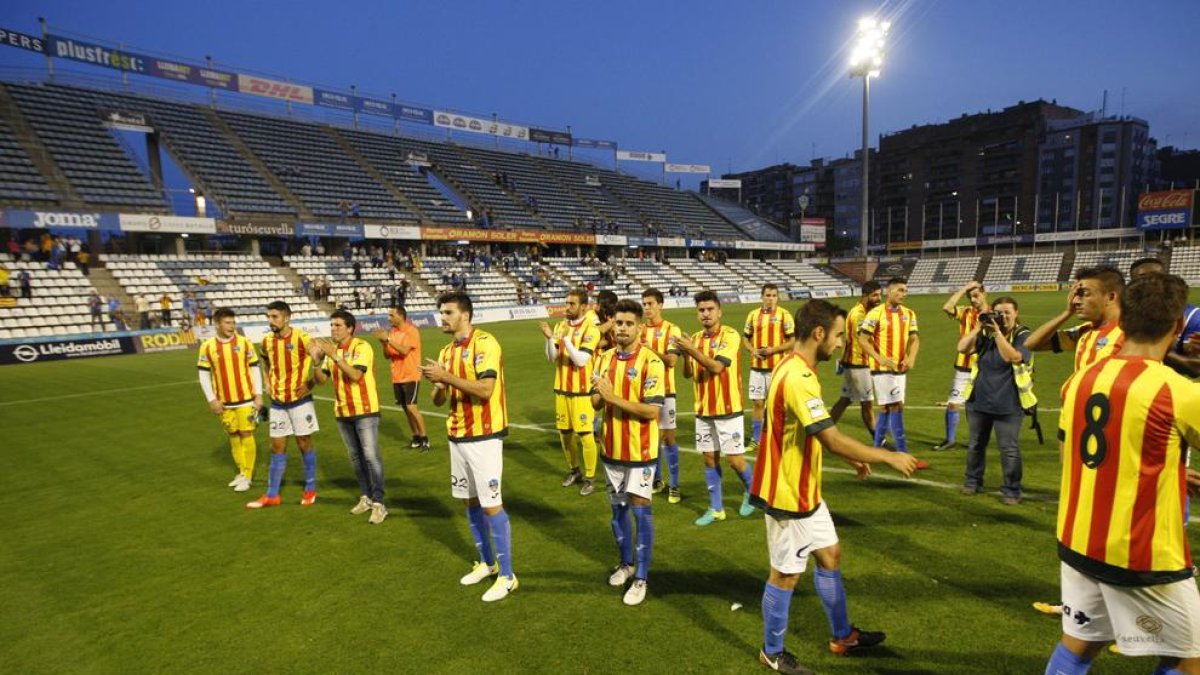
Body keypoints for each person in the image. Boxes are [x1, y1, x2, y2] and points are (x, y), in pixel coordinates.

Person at [1044, 272, 1200, 674]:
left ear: (1123, 317)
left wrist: (1168, 473)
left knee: (1077, 647)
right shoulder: (1177, 390)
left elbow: (1104, 450)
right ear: (1178, 325)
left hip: (1077, 540)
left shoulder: (1079, 380)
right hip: (1141, 552)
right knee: (1187, 658)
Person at [752, 299, 917, 675]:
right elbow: (830, 437)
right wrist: (885, 456)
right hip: (787, 493)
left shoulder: (798, 369)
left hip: (805, 490)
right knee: (786, 574)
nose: (843, 343)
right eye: (840, 335)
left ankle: (843, 635)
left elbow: (817, 431)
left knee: (830, 555)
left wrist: (848, 456)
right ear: (819, 333)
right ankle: (771, 651)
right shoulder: (797, 376)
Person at [421, 292, 518, 602]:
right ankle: (487, 564)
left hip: (484, 436)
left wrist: (446, 376)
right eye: (441, 311)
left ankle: (507, 575)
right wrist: (437, 384)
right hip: (457, 435)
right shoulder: (446, 351)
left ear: (465, 314)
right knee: (469, 502)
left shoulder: (486, 343)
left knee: (491, 504)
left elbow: (486, 390)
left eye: (448, 312)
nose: (443, 317)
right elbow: (438, 399)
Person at [592, 299, 665, 606]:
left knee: (640, 510)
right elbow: (596, 402)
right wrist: (599, 395)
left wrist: (612, 397)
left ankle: (642, 577)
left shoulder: (652, 362)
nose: (621, 328)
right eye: (618, 323)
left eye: (628, 324)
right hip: (611, 449)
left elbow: (651, 411)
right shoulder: (604, 359)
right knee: (617, 511)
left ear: (639, 327)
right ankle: (626, 564)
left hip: (641, 451)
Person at [675, 290, 754, 526]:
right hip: (703, 409)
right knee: (709, 459)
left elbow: (717, 367)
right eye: (701, 310)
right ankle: (716, 508)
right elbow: (688, 374)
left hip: (728, 408)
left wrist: (691, 350)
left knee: (735, 460)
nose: (706, 314)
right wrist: (685, 355)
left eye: (710, 309)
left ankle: (753, 492)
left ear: (719, 311)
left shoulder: (730, 335)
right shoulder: (696, 338)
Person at [955, 296, 1035, 505]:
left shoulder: (1023, 334)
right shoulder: (985, 334)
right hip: (979, 401)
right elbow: (962, 348)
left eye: (1008, 312)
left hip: (1008, 404)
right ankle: (973, 481)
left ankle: (1011, 489)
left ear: (1016, 313)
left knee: (1009, 450)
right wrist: (978, 326)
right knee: (975, 445)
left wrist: (997, 334)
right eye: (999, 313)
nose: (1003, 316)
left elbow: (1013, 357)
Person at [313, 310, 387, 525]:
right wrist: (317, 362)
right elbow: (321, 381)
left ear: (350, 328)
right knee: (356, 459)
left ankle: (379, 503)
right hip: (343, 412)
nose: (333, 329)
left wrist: (334, 356)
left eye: (337, 325)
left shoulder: (361, 347)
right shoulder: (332, 350)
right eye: (332, 325)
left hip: (364, 410)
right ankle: (366, 497)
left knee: (371, 457)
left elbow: (355, 375)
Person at [246, 301, 320, 509]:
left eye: (274, 317)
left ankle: (310, 488)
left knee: (304, 443)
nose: (270, 321)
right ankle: (272, 494)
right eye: (268, 317)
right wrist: (268, 381)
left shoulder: (303, 338)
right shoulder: (266, 341)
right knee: (276, 447)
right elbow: (265, 360)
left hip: (300, 401)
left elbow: (320, 362)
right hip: (277, 402)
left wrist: (311, 383)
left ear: (286, 318)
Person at [857, 277, 927, 470]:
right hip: (882, 370)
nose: (904, 294)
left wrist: (911, 358)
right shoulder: (876, 313)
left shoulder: (909, 313)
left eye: (905, 290)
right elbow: (863, 339)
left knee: (888, 408)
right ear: (889, 291)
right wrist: (879, 358)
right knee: (896, 406)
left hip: (899, 369)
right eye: (900, 290)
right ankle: (904, 454)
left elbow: (915, 339)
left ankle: (875, 449)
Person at [539, 288, 601, 495]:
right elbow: (552, 357)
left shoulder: (591, 329)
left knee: (585, 435)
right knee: (565, 434)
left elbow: (582, 361)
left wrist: (565, 340)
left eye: (572, 304)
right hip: (562, 390)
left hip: (582, 392)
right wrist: (550, 338)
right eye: (566, 303)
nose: (567, 307)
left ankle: (590, 478)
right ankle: (575, 471)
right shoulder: (560, 325)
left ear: (584, 307)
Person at [196, 308, 263, 493]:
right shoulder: (207, 346)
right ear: (217, 324)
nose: (232, 326)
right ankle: (242, 472)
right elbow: (203, 375)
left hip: (246, 400)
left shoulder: (245, 343)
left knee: (246, 435)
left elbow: (255, 369)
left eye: (233, 323)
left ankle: (248, 476)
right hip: (224, 403)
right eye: (227, 323)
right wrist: (211, 399)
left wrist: (258, 394)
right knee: (233, 436)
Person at [1025, 265, 1124, 371]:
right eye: (1075, 295)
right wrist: (1067, 313)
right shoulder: (1084, 331)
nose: (1075, 301)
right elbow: (1032, 344)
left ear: (1111, 297)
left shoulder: (1130, 335)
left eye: (1084, 293)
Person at [640, 288, 683, 503]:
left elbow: (672, 361)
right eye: (644, 304)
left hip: (666, 392)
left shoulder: (671, 329)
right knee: (651, 438)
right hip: (645, 393)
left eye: (650, 303)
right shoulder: (638, 330)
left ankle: (674, 485)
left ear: (660, 305)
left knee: (668, 438)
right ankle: (657, 480)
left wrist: (650, 351)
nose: (647, 307)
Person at [934, 281, 989, 450]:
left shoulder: (994, 314)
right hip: (963, 367)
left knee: (977, 408)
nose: (973, 300)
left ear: (984, 293)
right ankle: (950, 440)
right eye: (970, 297)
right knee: (953, 403)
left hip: (984, 368)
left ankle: (977, 442)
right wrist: (964, 289)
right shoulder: (966, 312)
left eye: (976, 295)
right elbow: (947, 307)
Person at [743, 284, 796, 450]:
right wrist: (753, 351)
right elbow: (745, 337)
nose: (770, 298)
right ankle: (756, 439)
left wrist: (773, 350)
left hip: (777, 368)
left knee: (778, 404)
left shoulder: (784, 315)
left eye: (774, 295)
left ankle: (778, 435)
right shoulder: (753, 315)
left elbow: (792, 341)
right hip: (757, 368)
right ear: (762, 296)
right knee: (758, 403)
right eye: (768, 295)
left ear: (777, 297)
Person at [1129, 257, 1200, 377]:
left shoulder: (1193, 317)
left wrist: (1139, 350)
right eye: (1142, 279)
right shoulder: (1123, 314)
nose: (1150, 283)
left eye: (1156, 277)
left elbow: (1195, 367)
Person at [373, 305, 428, 450]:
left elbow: (404, 351)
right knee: (406, 408)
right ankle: (416, 438)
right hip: (397, 376)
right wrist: (384, 343)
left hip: (411, 374)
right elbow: (387, 355)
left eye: (391, 315)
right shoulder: (393, 332)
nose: (388, 318)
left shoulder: (412, 331)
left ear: (400, 316)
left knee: (412, 407)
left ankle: (425, 439)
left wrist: (388, 339)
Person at [829, 282, 881, 436]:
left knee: (845, 399)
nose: (879, 298)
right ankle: (879, 439)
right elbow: (862, 339)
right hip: (859, 364)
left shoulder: (864, 311)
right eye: (875, 295)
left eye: (879, 294)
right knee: (867, 403)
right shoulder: (859, 314)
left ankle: (823, 432)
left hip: (854, 363)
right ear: (865, 295)